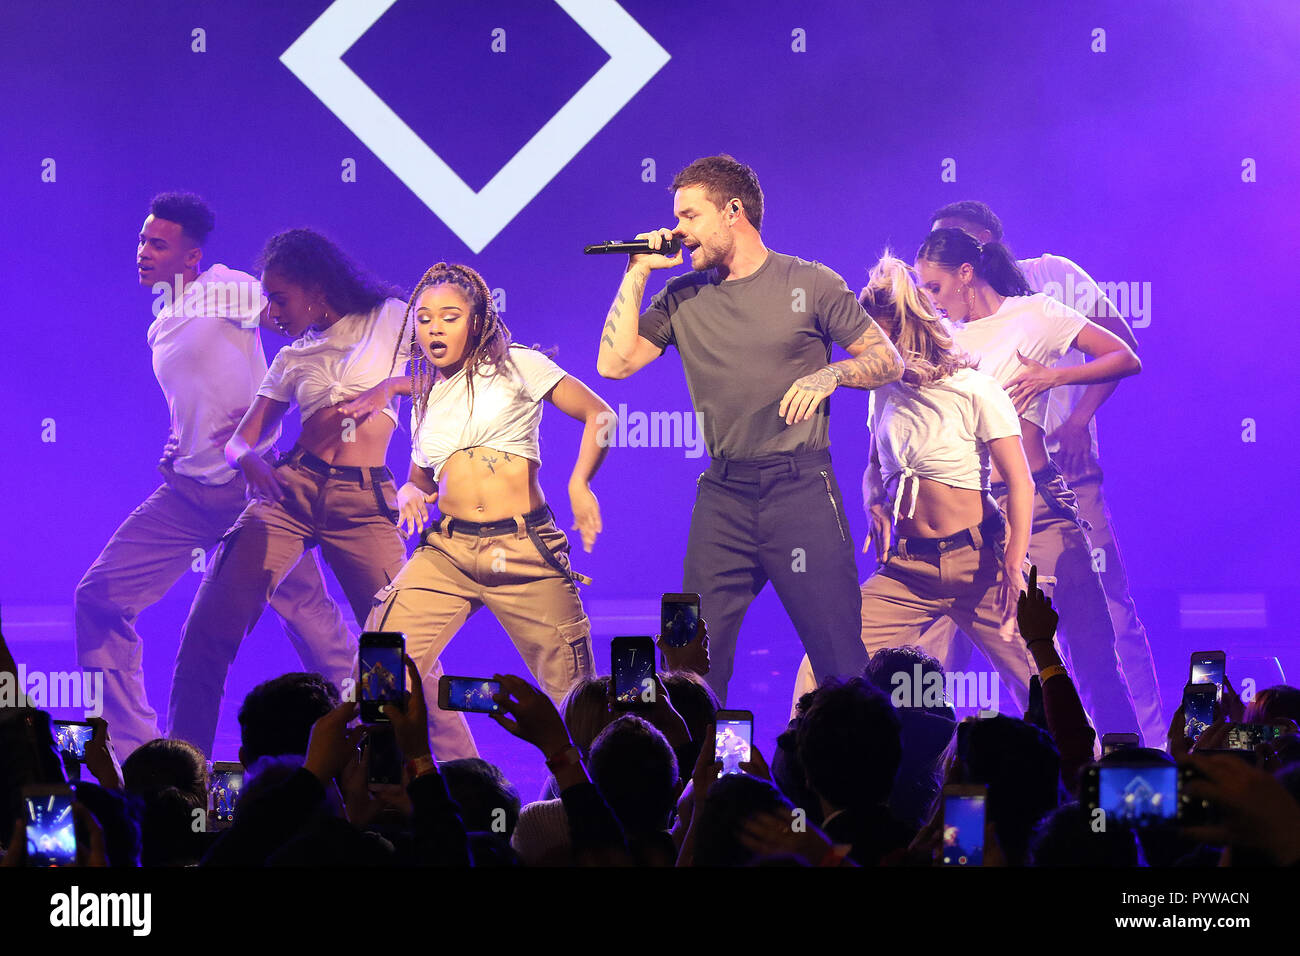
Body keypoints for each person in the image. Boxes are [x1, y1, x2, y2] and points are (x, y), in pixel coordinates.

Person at [596, 154, 904, 704]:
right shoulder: (682, 295)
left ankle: (852, 784)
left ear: (733, 210)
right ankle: (704, 783)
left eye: (690, 216)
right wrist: (638, 270)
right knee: (686, 658)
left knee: (839, 661)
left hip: (800, 488)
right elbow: (612, 364)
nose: (678, 231)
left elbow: (889, 361)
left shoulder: (809, 282)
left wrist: (833, 372)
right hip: (723, 495)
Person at [74, 193, 354, 759]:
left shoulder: (224, 288)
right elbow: (199, 395)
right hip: (183, 495)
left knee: (316, 625)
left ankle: (379, 744)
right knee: (99, 597)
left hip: (254, 492)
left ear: (192, 256)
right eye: (141, 241)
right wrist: (182, 440)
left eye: (158, 243)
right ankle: (137, 754)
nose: (143, 252)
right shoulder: (162, 322)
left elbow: (295, 310)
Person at [166, 228, 424, 756]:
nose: (271, 310)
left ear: (317, 288)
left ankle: (414, 780)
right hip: (290, 492)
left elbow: (454, 370)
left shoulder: (392, 317)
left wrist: (388, 388)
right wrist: (251, 459)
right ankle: (183, 774)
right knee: (206, 635)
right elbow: (239, 443)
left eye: (280, 297)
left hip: (363, 503)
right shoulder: (291, 360)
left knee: (392, 651)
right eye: (267, 297)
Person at [919, 200, 1162, 747]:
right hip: (974, 501)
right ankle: (1024, 758)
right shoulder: (942, 327)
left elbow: (1122, 349)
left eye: (951, 246)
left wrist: (1073, 409)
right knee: (994, 638)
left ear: (977, 251)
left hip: (1057, 479)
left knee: (1099, 620)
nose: (936, 263)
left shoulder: (1046, 288)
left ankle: (1140, 751)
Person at [363, 262, 609, 760]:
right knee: (380, 650)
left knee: (576, 698)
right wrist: (409, 494)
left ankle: (579, 803)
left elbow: (599, 414)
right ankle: (384, 781)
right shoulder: (427, 395)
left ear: (476, 322)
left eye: (449, 316)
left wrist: (580, 483)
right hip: (448, 554)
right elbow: (419, 481)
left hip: (523, 549)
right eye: (424, 317)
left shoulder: (519, 365)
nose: (433, 326)